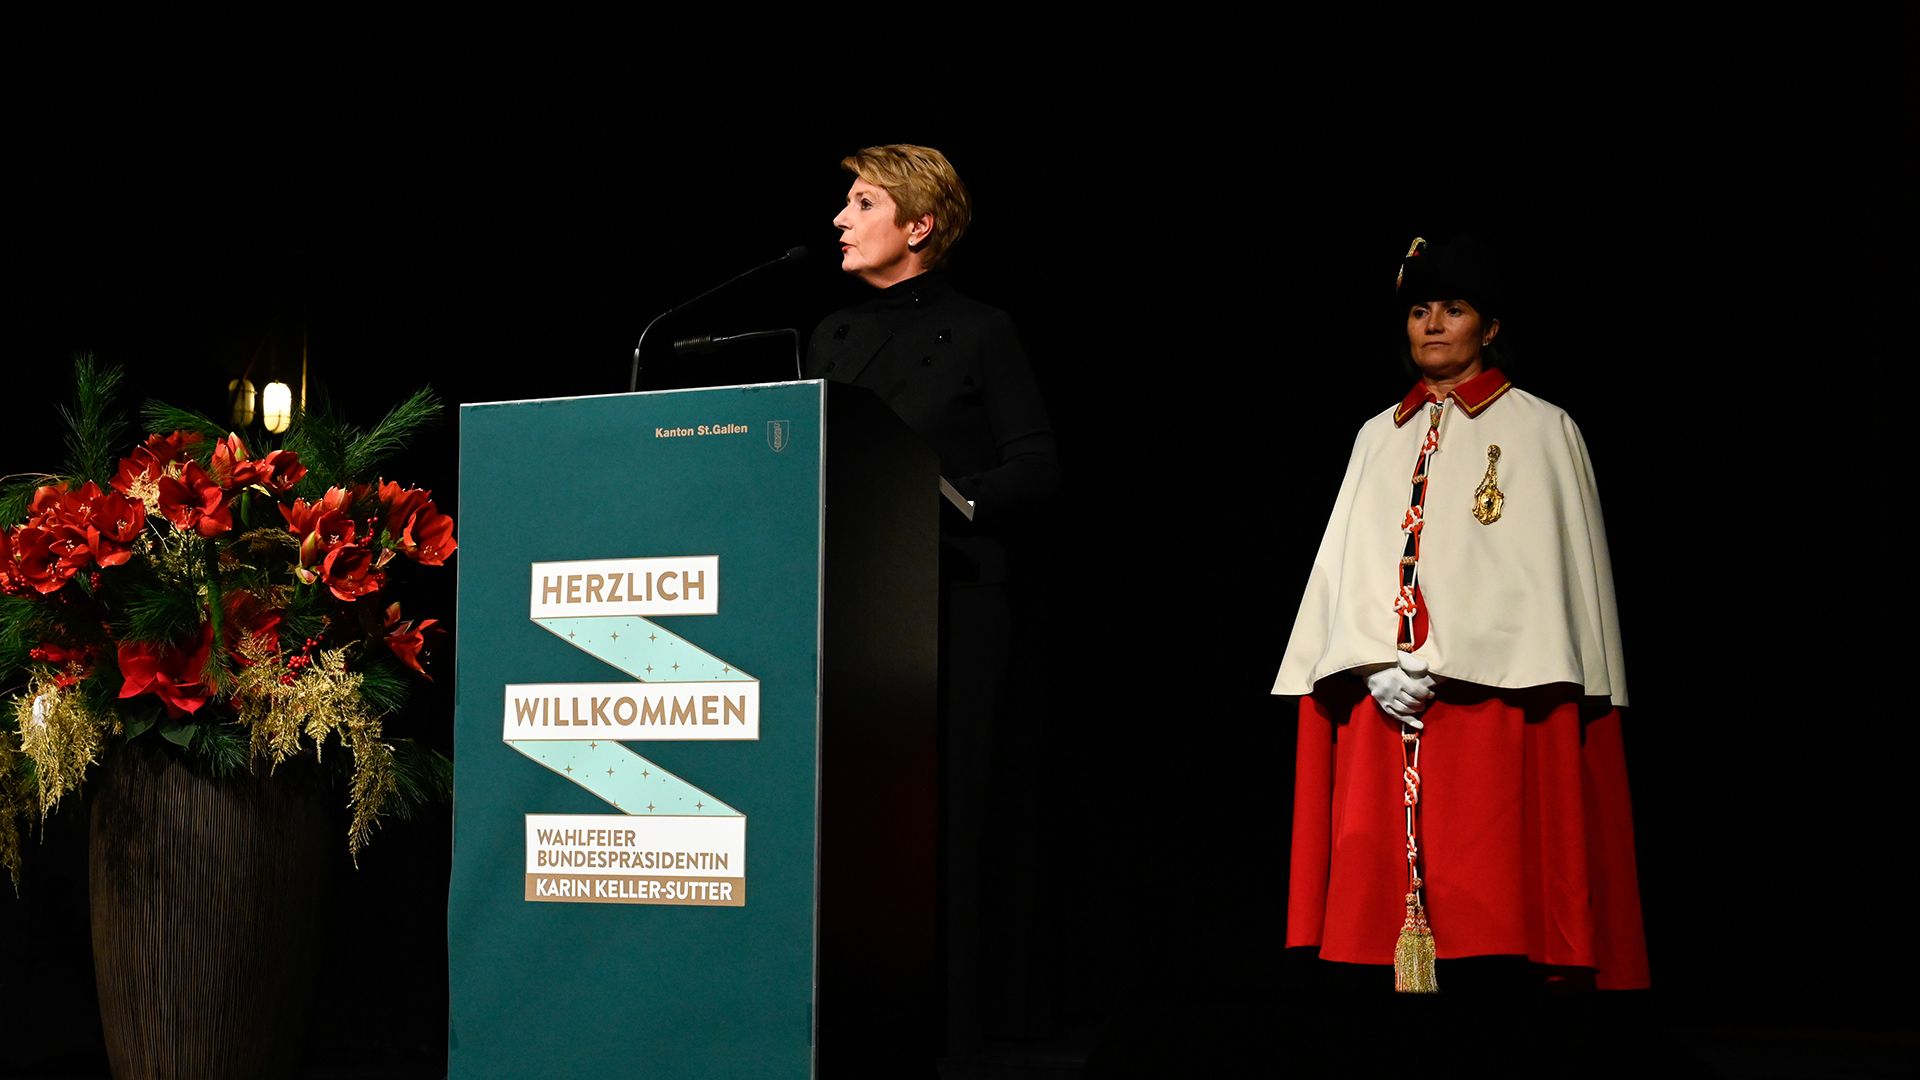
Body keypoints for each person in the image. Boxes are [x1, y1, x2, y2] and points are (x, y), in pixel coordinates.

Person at [1272, 234, 1648, 994]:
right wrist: (1373, 663)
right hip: (1386, 698)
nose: (1434, 325)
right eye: (1419, 311)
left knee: (1492, 893)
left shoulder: (1543, 429)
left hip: (1498, 698)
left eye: (1454, 309)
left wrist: (1451, 656)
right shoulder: (1376, 435)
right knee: (1376, 895)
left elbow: (1546, 585)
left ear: (1491, 326)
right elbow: (1344, 567)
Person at [806, 145, 1061, 1051]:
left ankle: (954, 1036)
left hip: (952, 603)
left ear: (918, 226)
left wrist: (951, 495)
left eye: (862, 203)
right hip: (847, 612)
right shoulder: (830, 335)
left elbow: (1037, 466)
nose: (840, 220)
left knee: (943, 823)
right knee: (851, 826)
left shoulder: (983, 329)